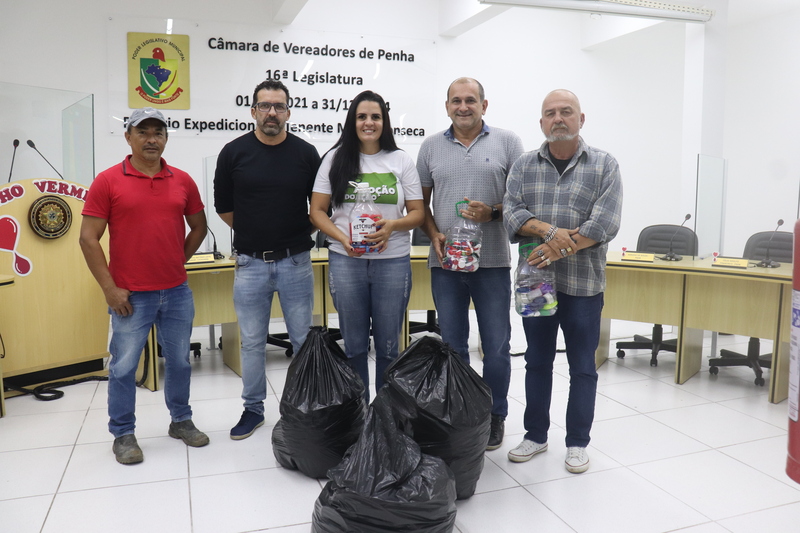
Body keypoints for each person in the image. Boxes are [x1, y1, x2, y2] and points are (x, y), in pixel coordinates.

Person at [80, 107, 210, 465]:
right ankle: (123, 434)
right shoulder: (108, 181)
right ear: (128, 137)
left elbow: (198, 226)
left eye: (159, 132)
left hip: (177, 291)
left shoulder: (182, 180)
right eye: (143, 132)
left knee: (180, 361)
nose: (152, 139)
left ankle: (181, 421)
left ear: (166, 138)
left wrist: (177, 260)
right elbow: (88, 239)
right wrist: (109, 288)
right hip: (130, 295)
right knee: (123, 367)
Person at [503, 89, 622, 473]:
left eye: (566, 112)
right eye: (550, 113)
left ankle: (577, 442)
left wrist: (557, 248)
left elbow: (604, 224)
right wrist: (550, 232)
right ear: (541, 123)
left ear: (580, 119)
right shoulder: (523, 165)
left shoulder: (605, 165)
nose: (558, 118)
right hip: (537, 284)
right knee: (537, 361)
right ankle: (535, 436)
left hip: (584, 287)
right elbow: (511, 214)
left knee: (582, 366)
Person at [416, 77, 524, 450]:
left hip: (492, 262)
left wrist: (493, 212)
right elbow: (420, 207)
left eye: (471, 100)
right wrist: (433, 235)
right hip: (445, 263)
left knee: (496, 346)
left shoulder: (508, 142)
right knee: (453, 346)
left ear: (484, 105)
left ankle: (495, 416)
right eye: (456, 101)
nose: (463, 107)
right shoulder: (430, 147)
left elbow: (520, 203)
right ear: (447, 106)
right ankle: (461, 413)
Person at [214, 80, 321, 440]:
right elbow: (223, 207)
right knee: (252, 341)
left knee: (303, 339)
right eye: (265, 106)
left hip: (296, 262)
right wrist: (256, 234)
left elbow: (321, 207)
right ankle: (253, 409)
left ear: (288, 112)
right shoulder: (233, 153)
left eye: (278, 106)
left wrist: (293, 234)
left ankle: (304, 408)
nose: (272, 112)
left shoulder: (306, 154)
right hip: (250, 264)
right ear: (253, 111)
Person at [310, 90, 424, 401]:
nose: (369, 122)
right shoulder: (334, 159)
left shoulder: (400, 160)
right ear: (352, 121)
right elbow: (317, 211)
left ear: (385, 122)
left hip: (393, 260)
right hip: (347, 260)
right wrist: (342, 237)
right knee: (355, 344)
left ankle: (386, 414)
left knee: (389, 345)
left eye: (375, 116)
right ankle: (359, 411)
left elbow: (417, 213)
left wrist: (392, 226)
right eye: (362, 116)